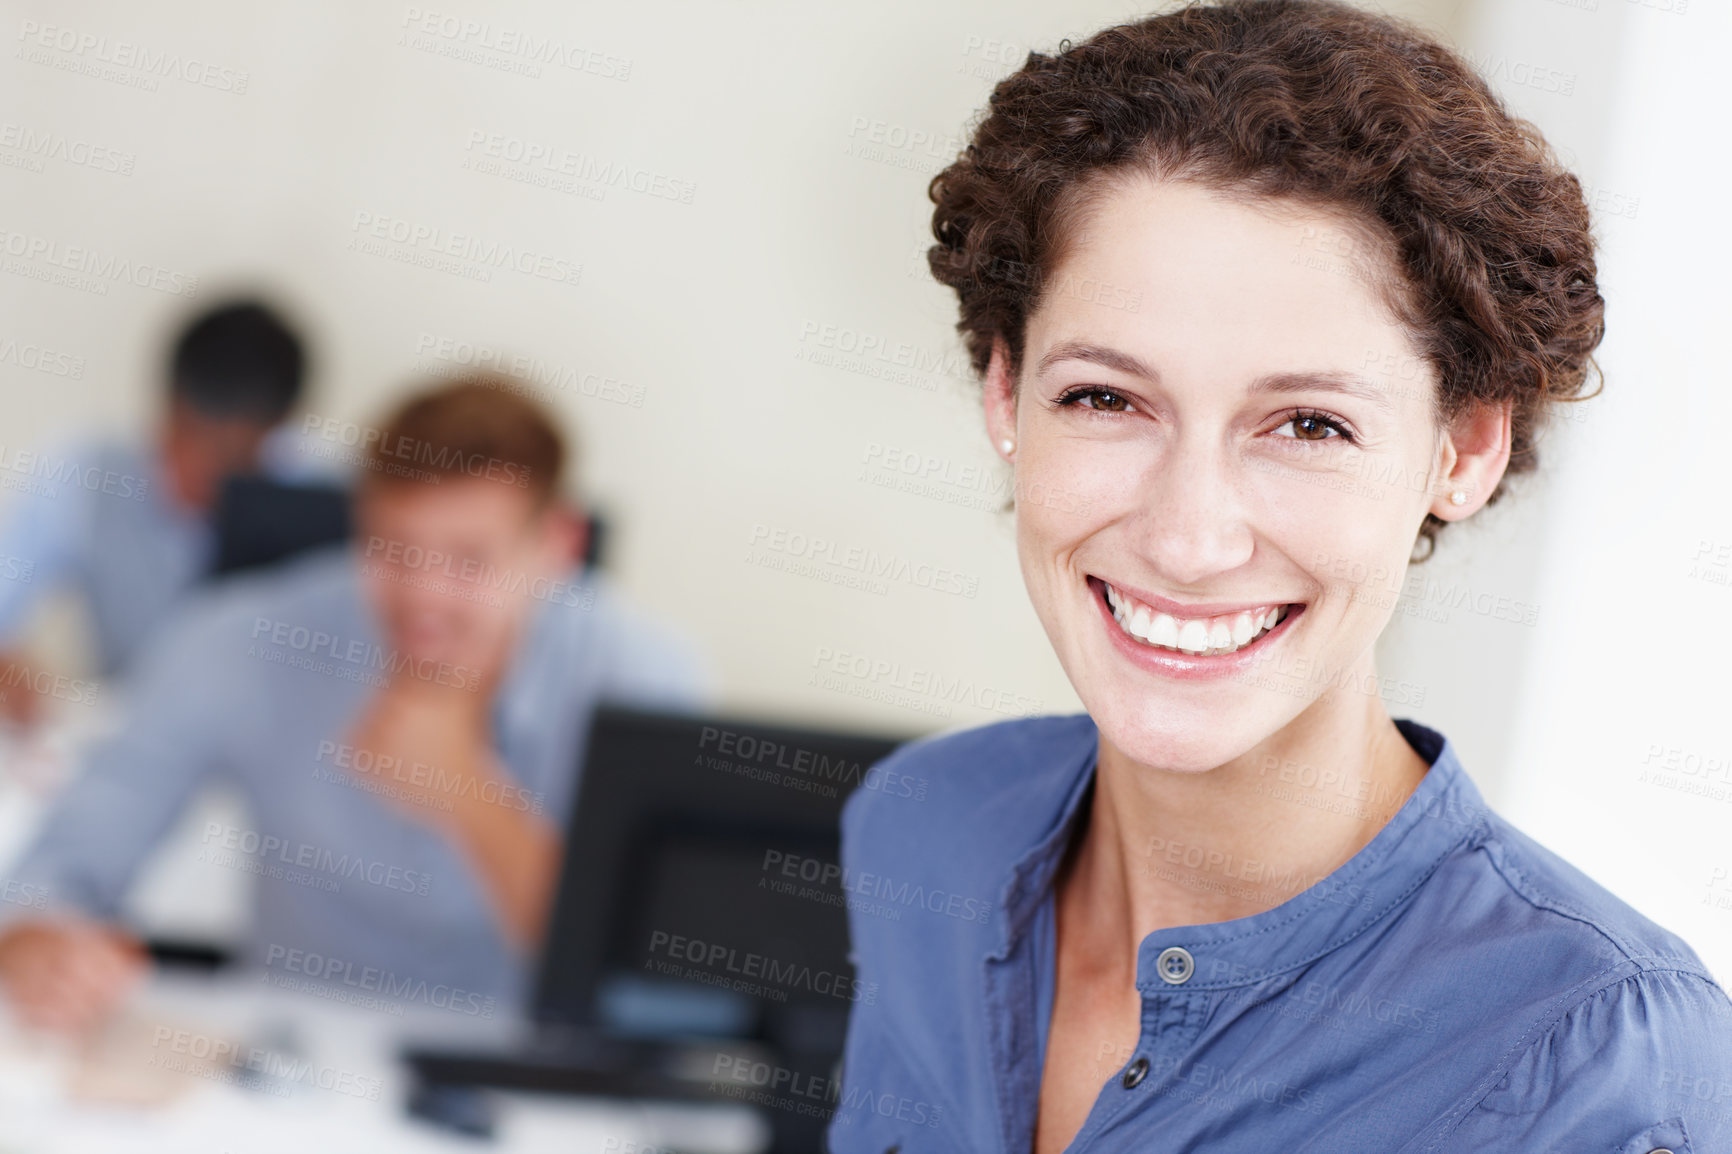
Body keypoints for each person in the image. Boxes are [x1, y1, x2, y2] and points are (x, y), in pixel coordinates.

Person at [827, 2, 1732, 1151]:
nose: (1186, 537)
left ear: (1461, 449)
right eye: (1104, 397)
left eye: (1306, 422)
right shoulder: (924, 828)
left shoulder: (1594, 1057)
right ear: (1005, 395)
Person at [0, 377, 714, 1033]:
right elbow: (63, 864)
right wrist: (33, 938)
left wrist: (471, 797)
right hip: (290, 1059)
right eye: (395, 550)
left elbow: (670, 998)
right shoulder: (243, 637)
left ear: (558, 545)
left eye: (469, 560)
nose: (425, 598)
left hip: (523, 1075)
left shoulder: (639, 674)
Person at [0, 299, 310, 724]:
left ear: (276, 435)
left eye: (232, 458)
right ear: (165, 403)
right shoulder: (85, 474)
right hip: (124, 737)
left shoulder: (318, 498)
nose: (200, 470)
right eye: (186, 435)